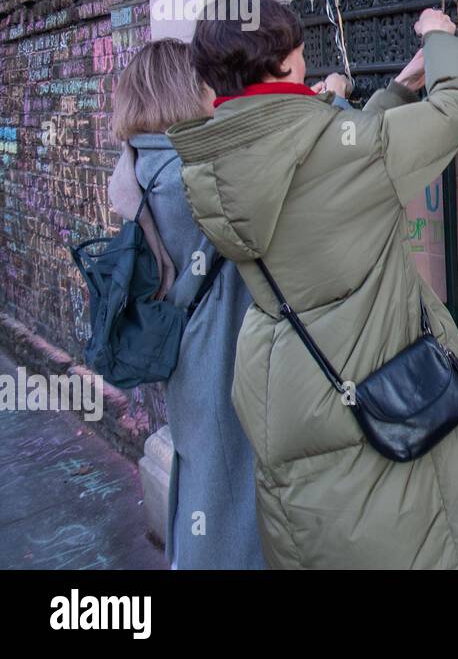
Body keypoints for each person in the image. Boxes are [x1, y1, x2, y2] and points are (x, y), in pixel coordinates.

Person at [167, 0, 458, 569]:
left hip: (283, 382)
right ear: (284, 64)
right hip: (363, 365)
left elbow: (334, 150)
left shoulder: (215, 160)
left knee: (326, 533)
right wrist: (440, 36)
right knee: (402, 524)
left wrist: (401, 87)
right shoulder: (340, 149)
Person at [107, 38, 265, 570]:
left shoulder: (137, 170)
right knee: (228, 485)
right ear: (183, 88)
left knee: (200, 467)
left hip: (187, 351)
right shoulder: (185, 178)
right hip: (221, 342)